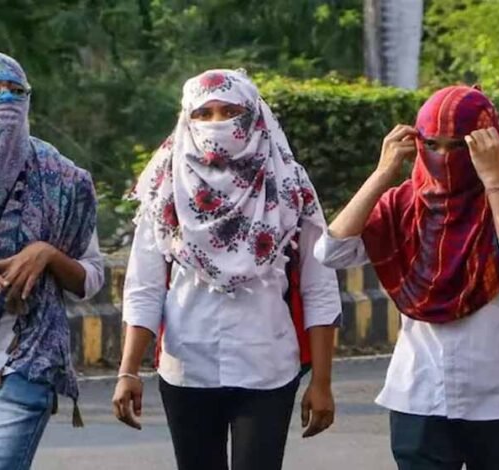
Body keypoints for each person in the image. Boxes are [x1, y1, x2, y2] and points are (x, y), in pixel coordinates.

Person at [314, 86, 499, 470]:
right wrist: (382, 174)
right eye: (432, 144)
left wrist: (495, 180)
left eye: (459, 146)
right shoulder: (402, 206)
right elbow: (331, 252)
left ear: (488, 144)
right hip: (420, 394)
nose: (443, 157)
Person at [112, 69, 341, 470]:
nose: (216, 123)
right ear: (187, 118)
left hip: (268, 364)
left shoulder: (289, 183)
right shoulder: (165, 184)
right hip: (187, 365)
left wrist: (322, 382)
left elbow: (319, 286)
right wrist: (127, 371)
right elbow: (144, 285)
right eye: (204, 113)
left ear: (254, 115)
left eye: (230, 111)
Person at [0, 51, 103, 470]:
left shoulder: (63, 178)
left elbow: (90, 277)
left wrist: (47, 254)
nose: (5, 100)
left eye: (15, 91)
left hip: (25, 355)